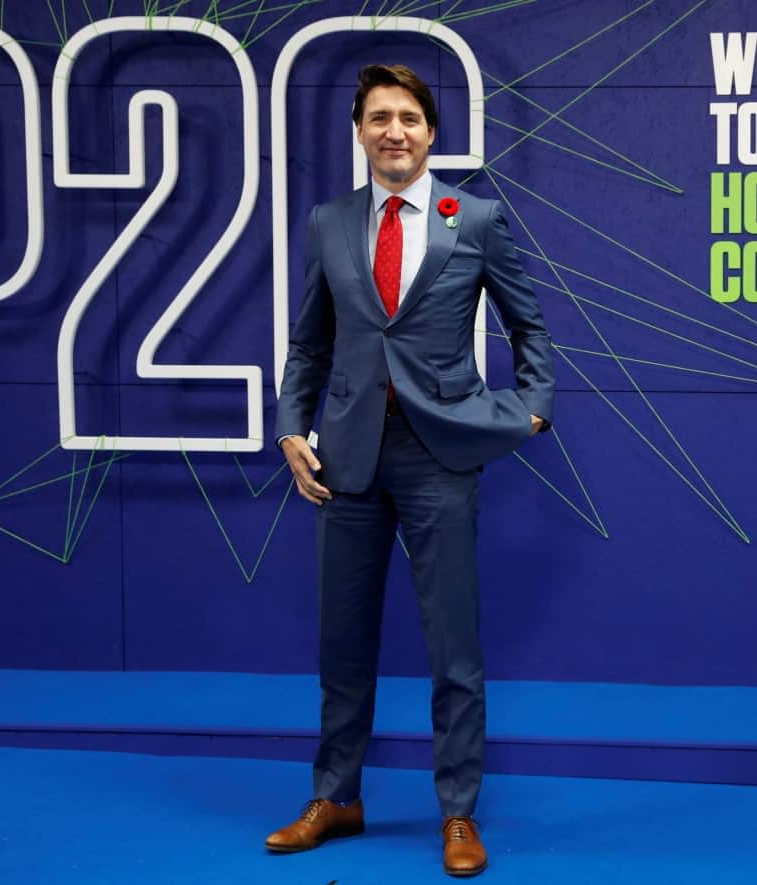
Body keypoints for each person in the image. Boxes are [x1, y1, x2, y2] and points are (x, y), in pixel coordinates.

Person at [264, 63, 555, 878]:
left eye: (411, 118)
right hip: (347, 459)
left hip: (440, 456)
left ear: (432, 133)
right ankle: (338, 796)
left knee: (452, 645)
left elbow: (530, 326)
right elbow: (309, 342)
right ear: (359, 132)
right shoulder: (329, 222)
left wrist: (531, 406)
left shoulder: (479, 217)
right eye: (380, 117)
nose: (395, 130)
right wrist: (292, 425)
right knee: (342, 643)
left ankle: (458, 813)